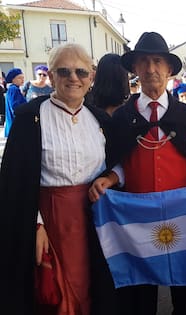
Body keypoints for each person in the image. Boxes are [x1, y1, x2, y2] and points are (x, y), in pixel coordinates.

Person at [88, 31, 186, 315]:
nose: (151, 69)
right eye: (143, 62)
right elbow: (120, 164)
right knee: (140, 293)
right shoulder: (123, 118)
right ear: (135, 69)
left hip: (184, 218)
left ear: (169, 69)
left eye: (157, 62)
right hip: (137, 221)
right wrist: (109, 179)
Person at [0, 43, 113, 315]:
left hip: (94, 220)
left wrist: (109, 177)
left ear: (92, 77)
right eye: (64, 71)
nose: (73, 78)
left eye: (81, 72)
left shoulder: (100, 120)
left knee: (93, 288)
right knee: (53, 294)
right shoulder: (30, 118)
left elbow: (117, 168)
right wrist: (35, 225)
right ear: (51, 76)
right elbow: (14, 181)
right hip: (49, 220)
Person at [4, 67, 26, 137]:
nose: (22, 80)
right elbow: (15, 107)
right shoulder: (14, 89)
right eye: (19, 78)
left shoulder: (13, 89)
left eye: (23, 77)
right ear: (13, 79)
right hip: (15, 124)